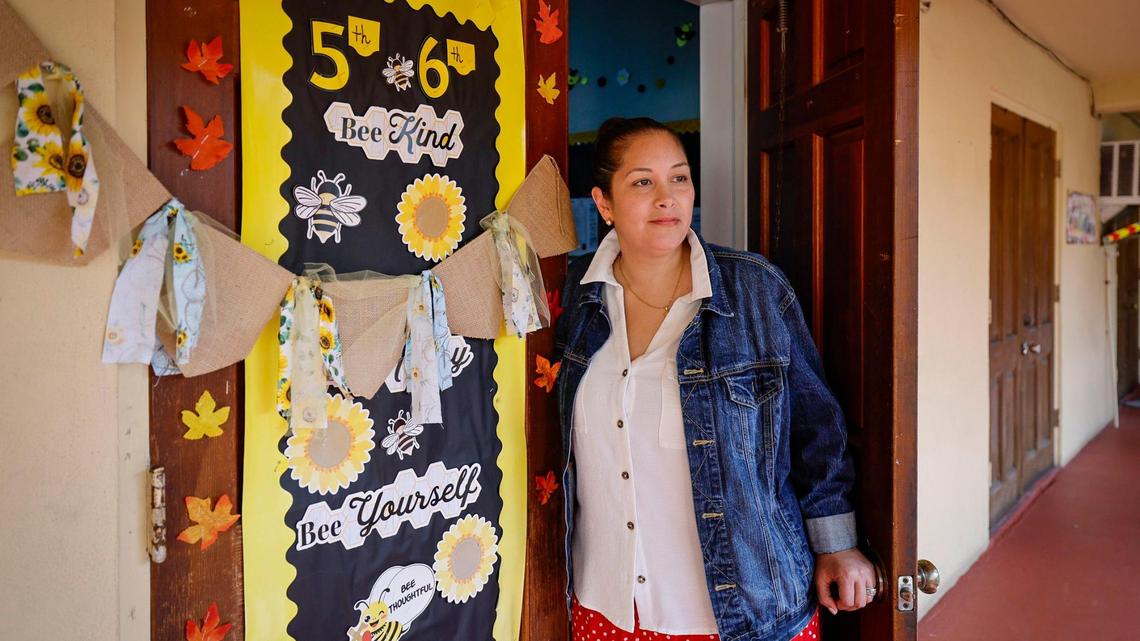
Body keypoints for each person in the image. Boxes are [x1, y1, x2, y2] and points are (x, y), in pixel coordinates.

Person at [554, 117, 876, 641]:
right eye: (642, 182)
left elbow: (818, 427)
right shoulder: (571, 301)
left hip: (746, 608)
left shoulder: (754, 290)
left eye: (679, 178)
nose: (667, 197)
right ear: (603, 203)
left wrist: (836, 542)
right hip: (608, 606)